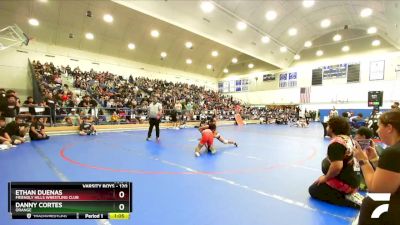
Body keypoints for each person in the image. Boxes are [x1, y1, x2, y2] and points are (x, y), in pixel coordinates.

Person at [354, 110, 400, 225]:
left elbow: (376, 190)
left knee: (369, 202)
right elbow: (391, 175)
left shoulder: (393, 152)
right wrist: (375, 160)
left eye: (379, 127)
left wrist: (363, 160)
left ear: (389, 128)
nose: (377, 130)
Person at [309, 117, 363, 208]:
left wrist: (325, 178)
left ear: (332, 128)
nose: (326, 127)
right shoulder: (349, 139)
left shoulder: (336, 143)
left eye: (328, 125)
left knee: (313, 190)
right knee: (320, 181)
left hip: (347, 183)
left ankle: (349, 200)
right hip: (353, 179)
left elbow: (337, 167)